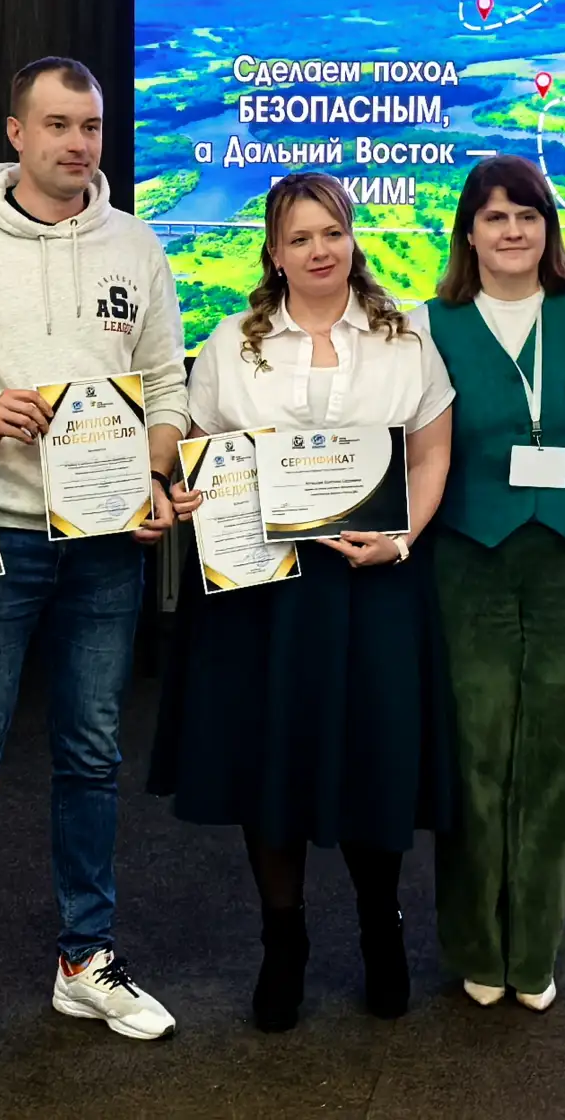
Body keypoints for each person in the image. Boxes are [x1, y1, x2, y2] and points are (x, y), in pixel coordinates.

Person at [0, 57, 191, 1076]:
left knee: (93, 757)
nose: (77, 144)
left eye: (90, 126)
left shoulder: (136, 244)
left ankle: (84, 959)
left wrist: (156, 474)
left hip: (106, 546)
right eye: (57, 125)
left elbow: (168, 386)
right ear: (16, 133)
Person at [149, 172, 455, 1032]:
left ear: (352, 239)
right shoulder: (230, 342)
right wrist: (191, 493)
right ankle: (283, 941)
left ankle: (381, 929)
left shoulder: (406, 337)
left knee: (371, 757)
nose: (319, 250)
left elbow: (431, 454)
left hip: (373, 581)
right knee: (271, 760)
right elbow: (202, 449)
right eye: (299, 238)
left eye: (332, 233)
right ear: (274, 255)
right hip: (262, 594)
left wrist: (402, 539)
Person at [412, 155, 565, 1013]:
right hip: (468, 561)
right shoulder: (430, 325)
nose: (513, 230)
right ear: (469, 232)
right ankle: (477, 944)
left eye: (528, 215)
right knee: (475, 754)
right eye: (495, 216)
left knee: (558, 754)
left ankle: (535, 949)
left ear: (548, 228)